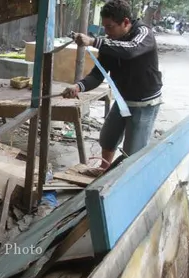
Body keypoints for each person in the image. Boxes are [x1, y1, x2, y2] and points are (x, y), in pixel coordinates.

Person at [62, 0, 162, 176]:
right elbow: (97, 75)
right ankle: (104, 171)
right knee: (107, 138)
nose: (107, 32)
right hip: (123, 99)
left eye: (110, 27)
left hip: (144, 103)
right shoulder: (111, 43)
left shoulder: (143, 33)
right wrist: (78, 86)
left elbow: (131, 50)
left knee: (132, 153)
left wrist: (94, 41)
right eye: (105, 27)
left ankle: (126, 182)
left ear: (125, 22)